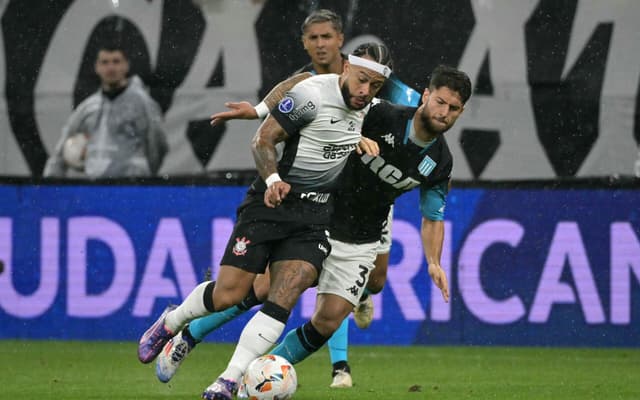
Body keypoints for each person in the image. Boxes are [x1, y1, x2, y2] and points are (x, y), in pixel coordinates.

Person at [154, 9, 421, 389]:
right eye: (313, 38)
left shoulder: (376, 79)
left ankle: (346, 311)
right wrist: (261, 111)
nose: (320, 44)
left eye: (327, 37)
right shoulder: (311, 84)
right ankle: (193, 337)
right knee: (263, 290)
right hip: (321, 199)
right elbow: (287, 92)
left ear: (341, 41)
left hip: (365, 198)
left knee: (375, 281)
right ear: (305, 42)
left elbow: (414, 114)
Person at [269, 64, 470, 370]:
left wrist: (433, 262)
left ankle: (267, 368)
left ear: (461, 111)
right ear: (426, 96)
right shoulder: (383, 114)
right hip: (322, 214)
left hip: (363, 234)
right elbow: (336, 109)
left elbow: (432, 217)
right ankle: (187, 331)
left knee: (336, 313)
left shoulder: (440, 162)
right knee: (258, 290)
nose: (444, 112)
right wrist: (352, 135)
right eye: (440, 102)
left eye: (453, 108)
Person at [43, 43, 167, 178]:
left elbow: (157, 145)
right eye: (105, 62)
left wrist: (145, 179)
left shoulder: (143, 104)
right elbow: (62, 149)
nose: (111, 67)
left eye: (116, 61)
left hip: (131, 188)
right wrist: (49, 184)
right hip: (96, 188)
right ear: (97, 67)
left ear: (126, 66)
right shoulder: (88, 107)